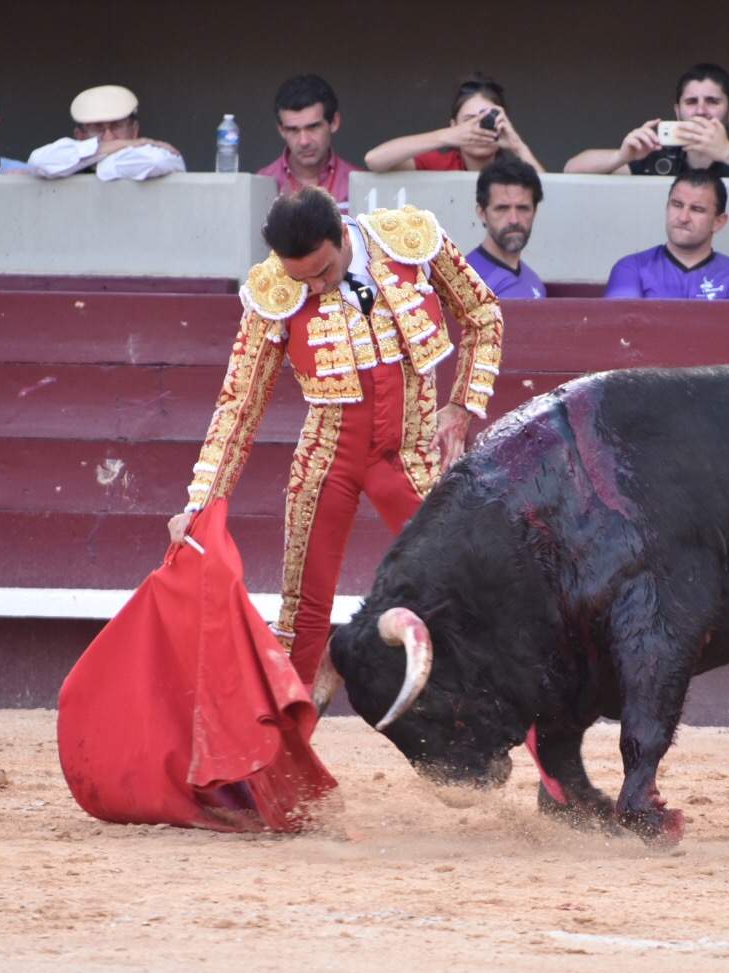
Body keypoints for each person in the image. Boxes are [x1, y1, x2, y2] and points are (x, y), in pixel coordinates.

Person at [167, 188, 503, 686]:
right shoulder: (275, 287)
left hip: (411, 454)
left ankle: (523, 744)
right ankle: (283, 756)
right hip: (327, 462)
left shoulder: (407, 240)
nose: (317, 287)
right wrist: (200, 502)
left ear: (343, 234)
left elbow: (483, 314)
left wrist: (463, 404)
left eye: (324, 271)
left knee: (473, 594)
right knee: (302, 617)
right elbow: (240, 404)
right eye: (302, 278)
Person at [563, 63, 729, 180]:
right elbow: (572, 168)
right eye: (691, 102)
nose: (700, 111)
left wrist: (727, 153)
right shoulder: (657, 159)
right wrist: (622, 156)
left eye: (713, 101)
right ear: (678, 111)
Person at [604, 168, 729, 300]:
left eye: (697, 209)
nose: (683, 217)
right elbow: (623, 331)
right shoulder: (631, 268)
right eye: (677, 205)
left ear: (718, 222)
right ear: (667, 208)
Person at [364, 75, 543, 174]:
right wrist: (446, 137)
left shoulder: (515, 170)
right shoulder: (439, 163)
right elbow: (375, 160)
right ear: (454, 125)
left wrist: (518, 146)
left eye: (487, 119)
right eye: (469, 120)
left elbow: (554, 197)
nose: (478, 127)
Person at [27, 85, 184, 181]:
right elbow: (38, 162)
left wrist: (94, 162)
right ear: (79, 136)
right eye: (97, 128)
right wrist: (122, 144)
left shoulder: (156, 151)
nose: (109, 137)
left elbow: (156, 161)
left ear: (135, 130)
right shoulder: (69, 153)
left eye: (117, 127)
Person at [259, 74, 359, 211]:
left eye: (313, 127)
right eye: (293, 130)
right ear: (281, 130)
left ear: (334, 122)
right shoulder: (261, 182)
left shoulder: (357, 182)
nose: (304, 141)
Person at [466, 155, 546, 299]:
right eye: (502, 208)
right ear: (482, 213)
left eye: (523, 208)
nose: (514, 220)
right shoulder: (465, 282)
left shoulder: (534, 281)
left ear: (534, 212)